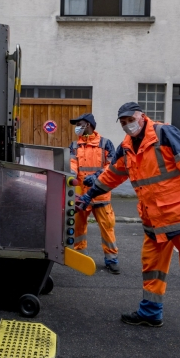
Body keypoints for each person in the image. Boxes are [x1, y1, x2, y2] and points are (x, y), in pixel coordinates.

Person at [76, 102, 180, 355]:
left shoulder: (165, 134)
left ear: (141, 116)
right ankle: (150, 313)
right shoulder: (126, 146)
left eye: (129, 119)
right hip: (153, 223)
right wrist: (90, 195)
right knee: (152, 269)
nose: (127, 125)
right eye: (122, 122)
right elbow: (112, 175)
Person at [69, 113, 120, 274]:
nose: (77, 127)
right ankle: (80, 255)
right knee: (78, 227)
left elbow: (111, 166)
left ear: (88, 125)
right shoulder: (75, 145)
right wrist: (71, 176)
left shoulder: (105, 144)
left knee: (107, 228)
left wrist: (97, 176)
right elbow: (72, 164)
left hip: (101, 195)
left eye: (79, 124)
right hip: (80, 195)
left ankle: (111, 259)